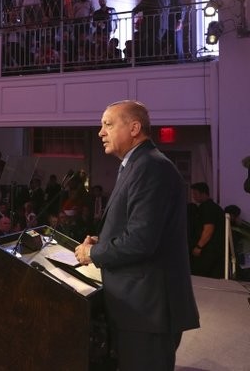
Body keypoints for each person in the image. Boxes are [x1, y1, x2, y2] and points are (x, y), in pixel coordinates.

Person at [74, 100, 199, 370]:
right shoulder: (137, 164)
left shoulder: (150, 167)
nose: (100, 132)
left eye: (108, 124)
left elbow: (142, 241)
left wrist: (93, 253)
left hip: (147, 308)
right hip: (138, 305)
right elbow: (141, 227)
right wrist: (103, 240)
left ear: (134, 128)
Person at [189, 182, 225, 278]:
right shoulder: (215, 207)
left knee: (201, 278)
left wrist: (199, 246)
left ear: (203, 193)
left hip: (208, 251)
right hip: (216, 252)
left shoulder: (207, 207)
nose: (193, 197)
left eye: (195, 194)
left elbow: (208, 228)